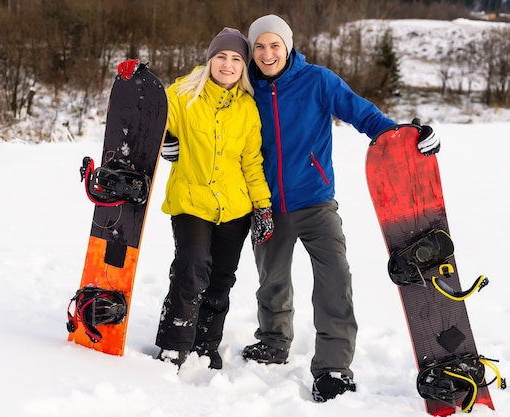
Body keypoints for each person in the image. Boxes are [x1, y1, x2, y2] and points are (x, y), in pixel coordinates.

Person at [241, 15, 440, 401]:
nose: (267, 54)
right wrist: (177, 141)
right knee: (272, 280)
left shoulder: (318, 80)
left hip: (316, 202)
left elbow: (364, 114)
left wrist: (406, 138)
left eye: (274, 45)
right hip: (266, 204)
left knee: (335, 279)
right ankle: (273, 341)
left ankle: (333, 365)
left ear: (288, 45)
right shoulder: (246, 88)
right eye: (259, 47)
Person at [155, 27, 274, 370]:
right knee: (191, 267)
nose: (228, 64)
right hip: (191, 200)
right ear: (210, 60)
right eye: (221, 56)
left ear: (244, 67)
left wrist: (262, 206)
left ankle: (206, 343)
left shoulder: (248, 108)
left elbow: (251, 163)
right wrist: (164, 140)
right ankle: (174, 344)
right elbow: (157, 123)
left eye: (236, 59)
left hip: (235, 207)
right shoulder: (181, 95)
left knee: (221, 278)